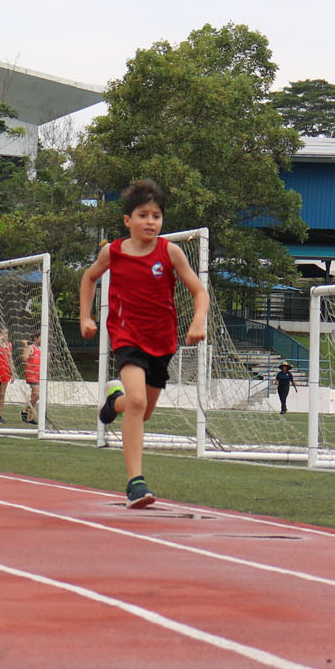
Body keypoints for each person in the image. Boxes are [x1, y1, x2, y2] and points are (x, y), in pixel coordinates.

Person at [79, 179, 210, 508]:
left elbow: (199, 291)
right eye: (143, 215)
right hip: (127, 336)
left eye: (156, 216)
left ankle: (114, 402)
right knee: (138, 402)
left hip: (162, 341)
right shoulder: (114, 251)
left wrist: (198, 321)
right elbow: (89, 277)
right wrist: (86, 316)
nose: (150, 222)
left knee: (143, 410)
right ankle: (136, 483)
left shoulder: (170, 252)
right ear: (128, 220)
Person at [20, 333, 42, 423]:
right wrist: (25, 346)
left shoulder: (42, 349)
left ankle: (31, 417)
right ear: (36, 338)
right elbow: (25, 358)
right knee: (37, 395)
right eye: (41, 338)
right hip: (31, 374)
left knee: (34, 396)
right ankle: (24, 411)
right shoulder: (31, 347)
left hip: (39, 375)